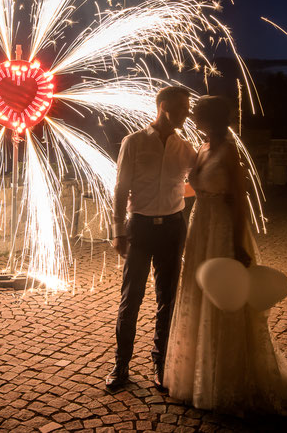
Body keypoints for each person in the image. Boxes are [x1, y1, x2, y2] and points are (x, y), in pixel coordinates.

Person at [163, 95, 287, 413]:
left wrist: (239, 244)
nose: (192, 118)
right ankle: (196, 374)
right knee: (198, 294)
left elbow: (240, 200)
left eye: (196, 114)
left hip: (223, 228)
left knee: (225, 299)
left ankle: (227, 378)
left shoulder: (228, 152)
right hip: (200, 226)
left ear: (209, 119)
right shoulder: (201, 149)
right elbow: (193, 188)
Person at [105, 86, 196, 391]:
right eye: (182, 107)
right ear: (163, 105)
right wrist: (118, 230)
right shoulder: (134, 142)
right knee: (131, 300)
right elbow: (120, 188)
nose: (187, 112)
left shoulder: (186, 149)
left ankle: (161, 364)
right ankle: (121, 365)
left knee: (167, 299)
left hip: (173, 228)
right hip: (140, 228)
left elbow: (199, 183)